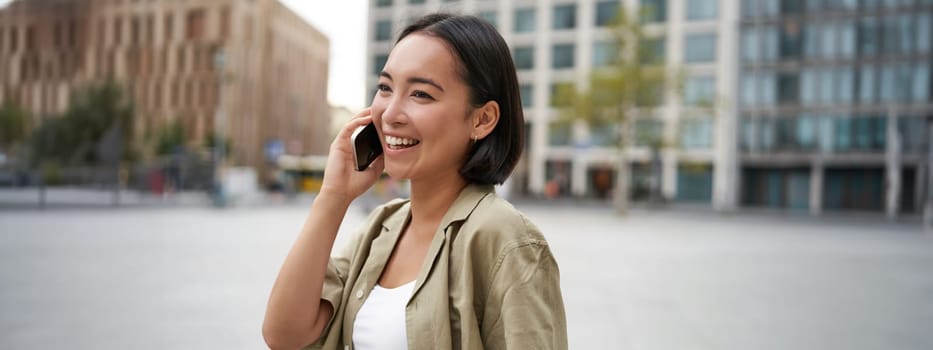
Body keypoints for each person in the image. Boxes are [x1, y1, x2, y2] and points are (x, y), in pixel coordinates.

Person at [263, 13, 567, 350]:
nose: (391, 113)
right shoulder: (381, 228)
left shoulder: (505, 239)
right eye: (385, 88)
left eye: (420, 94)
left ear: (483, 119)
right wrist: (333, 196)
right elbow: (284, 336)